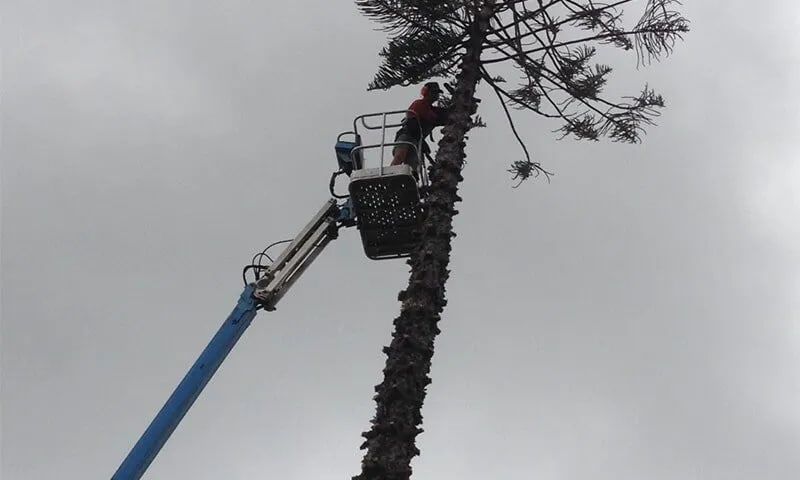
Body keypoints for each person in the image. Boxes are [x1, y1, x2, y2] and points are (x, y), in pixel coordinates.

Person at [390, 82, 450, 168]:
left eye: (436, 93)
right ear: (426, 92)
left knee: (413, 167)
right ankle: (392, 175)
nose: (435, 95)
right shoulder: (419, 104)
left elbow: (442, 116)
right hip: (407, 135)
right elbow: (413, 124)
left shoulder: (433, 110)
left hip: (417, 142)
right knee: (400, 157)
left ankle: (405, 179)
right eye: (433, 92)